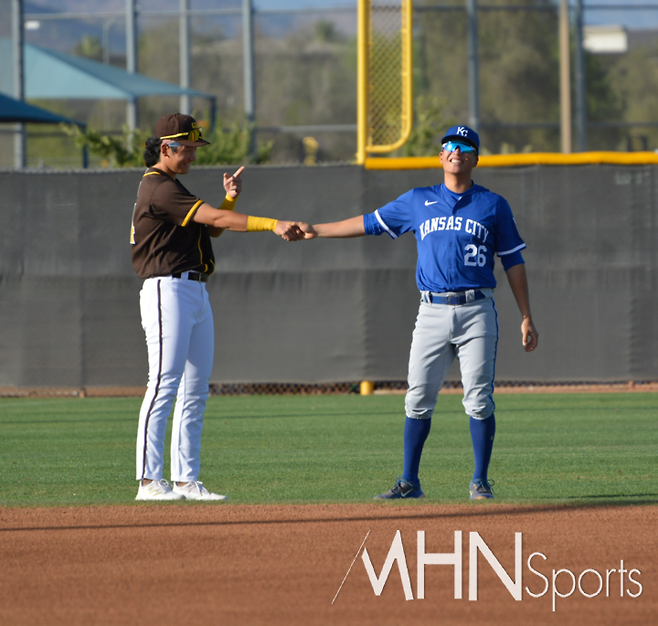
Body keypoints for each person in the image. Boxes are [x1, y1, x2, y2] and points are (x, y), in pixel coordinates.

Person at [301, 125, 538, 500]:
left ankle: (480, 481)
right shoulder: (418, 200)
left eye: (465, 145)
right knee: (417, 398)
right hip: (431, 310)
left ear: (476, 158)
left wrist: (526, 314)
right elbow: (368, 223)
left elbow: (513, 261)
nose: (456, 150)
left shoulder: (493, 205)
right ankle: (410, 481)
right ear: (441, 156)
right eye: (450, 145)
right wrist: (316, 229)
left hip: (477, 309)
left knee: (478, 399)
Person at [130, 113, 306, 501]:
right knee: (163, 384)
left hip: (193, 291)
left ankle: (186, 480)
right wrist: (273, 223)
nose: (192, 155)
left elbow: (211, 228)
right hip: (166, 291)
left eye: (194, 148)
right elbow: (218, 219)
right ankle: (147, 480)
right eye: (187, 148)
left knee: (195, 390)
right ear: (165, 148)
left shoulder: (172, 186)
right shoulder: (159, 188)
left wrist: (231, 196)